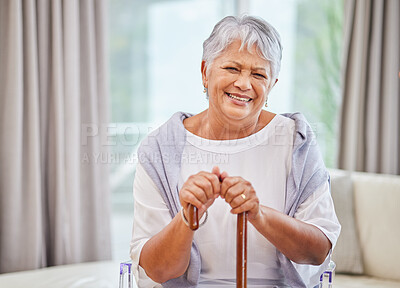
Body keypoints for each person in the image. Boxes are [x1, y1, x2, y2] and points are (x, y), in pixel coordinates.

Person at [130, 15, 341, 288]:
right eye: (232, 68)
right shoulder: (160, 149)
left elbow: (318, 249)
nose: (243, 84)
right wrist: (187, 219)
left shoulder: (295, 140)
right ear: (205, 71)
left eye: (258, 74)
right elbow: (157, 271)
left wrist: (259, 215)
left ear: (272, 85)